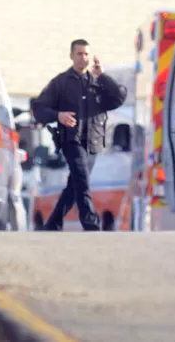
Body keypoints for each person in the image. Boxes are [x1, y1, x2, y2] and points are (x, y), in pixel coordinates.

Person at [31, 39, 126, 231]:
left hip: (93, 142)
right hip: (71, 140)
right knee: (82, 180)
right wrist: (58, 115)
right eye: (79, 54)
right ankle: (91, 223)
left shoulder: (98, 83)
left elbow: (118, 98)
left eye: (86, 54)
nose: (83, 58)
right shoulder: (60, 82)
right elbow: (39, 108)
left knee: (74, 185)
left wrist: (103, 75)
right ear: (71, 56)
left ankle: (53, 223)